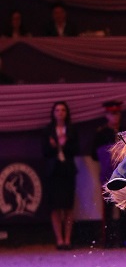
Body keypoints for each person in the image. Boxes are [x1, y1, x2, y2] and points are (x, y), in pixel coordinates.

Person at [91, 100, 126, 248]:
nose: (115, 117)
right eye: (112, 114)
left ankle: (125, 239)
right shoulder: (101, 133)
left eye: (117, 113)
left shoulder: (125, 131)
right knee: (108, 208)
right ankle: (107, 239)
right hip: (107, 174)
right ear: (107, 115)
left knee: (125, 208)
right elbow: (94, 154)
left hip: (124, 175)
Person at [42, 101, 79, 250]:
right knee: (55, 207)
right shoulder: (48, 130)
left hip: (67, 171)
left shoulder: (71, 129)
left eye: (63, 110)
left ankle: (68, 239)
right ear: (53, 113)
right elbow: (44, 151)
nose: (60, 113)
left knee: (68, 206)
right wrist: (54, 146)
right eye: (57, 110)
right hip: (53, 172)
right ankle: (59, 239)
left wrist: (65, 144)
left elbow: (76, 149)